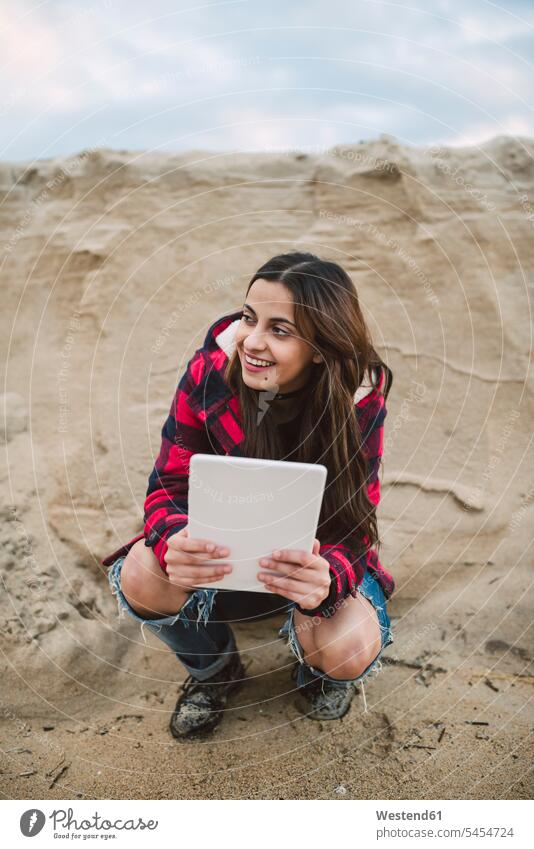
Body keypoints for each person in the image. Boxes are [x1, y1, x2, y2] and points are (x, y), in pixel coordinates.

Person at [103, 252, 395, 739]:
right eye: (248, 317)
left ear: (321, 348)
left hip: (304, 572)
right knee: (142, 572)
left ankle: (317, 669)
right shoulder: (210, 373)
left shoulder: (358, 398)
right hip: (221, 560)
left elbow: (354, 526)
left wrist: (328, 581)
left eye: (280, 330)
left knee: (346, 650)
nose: (251, 342)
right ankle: (215, 671)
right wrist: (176, 539)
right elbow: (168, 487)